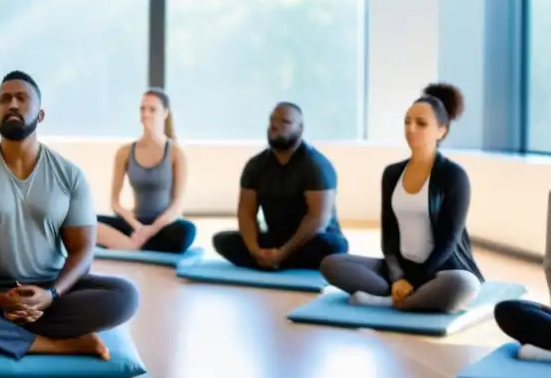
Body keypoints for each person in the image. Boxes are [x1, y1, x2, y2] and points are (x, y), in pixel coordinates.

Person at [0, 71, 140, 360]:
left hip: (53, 293)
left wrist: (50, 295)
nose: (13, 104)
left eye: (22, 98)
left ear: (40, 115)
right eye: (4, 99)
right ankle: (52, 343)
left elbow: (82, 249)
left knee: (125, 296)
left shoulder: (69, 175)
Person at [320, 84, 483, 312]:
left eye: (421, 123)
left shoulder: (454, 176)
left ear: (441, 130)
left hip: (440, 271)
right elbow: (388, 237)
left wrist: (415, 280)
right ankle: (406, 296)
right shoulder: (392, 174)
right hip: (400, 270)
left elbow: (448, 241)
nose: (411, 129)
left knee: (464, 285)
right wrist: (398, 277)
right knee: (331, 264)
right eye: (407, 121)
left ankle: (389, 301)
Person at [212, 102, 348, 270]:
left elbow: (317, 219)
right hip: (275, 239)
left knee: (333, 248)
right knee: (222, 240)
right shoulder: (256, 165)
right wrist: (255, 250)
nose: (275, 126)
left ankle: (276, 261)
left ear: (301, 127)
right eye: (272, 120)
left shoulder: (316, 165)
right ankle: (271, 260)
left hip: (311, 240)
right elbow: (246, 213)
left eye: (285, 122)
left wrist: (283, 253)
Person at [96, 88, 196, 254]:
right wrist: (138, 227)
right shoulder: (124, 152)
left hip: (163, 226)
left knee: (187, 231)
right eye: (142, 109)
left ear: (165, 113)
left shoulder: (176, 153)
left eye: (152, 109)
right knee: (86, 221)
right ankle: (132, 245)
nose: (146, 114)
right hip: (135, 223)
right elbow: (115, 203)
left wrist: (151, 230)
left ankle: (128, 245)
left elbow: (177, 205)